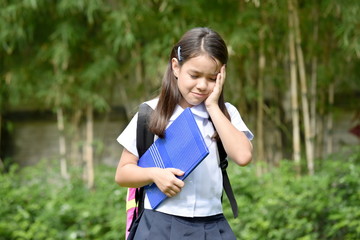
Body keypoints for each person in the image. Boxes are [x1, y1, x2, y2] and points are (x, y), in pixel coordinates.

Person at [115, 27, 254, 240]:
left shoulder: (225, 113)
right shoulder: (150, 114)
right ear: (176, 67)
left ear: (221, 76)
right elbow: (123, 173)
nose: (202, 85)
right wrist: (154, 174)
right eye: (194, 75)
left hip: (212, 225)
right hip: (160, 224)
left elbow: (243, 157)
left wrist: (213, 107)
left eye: (211, 78)